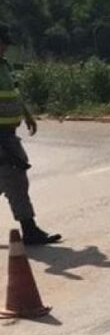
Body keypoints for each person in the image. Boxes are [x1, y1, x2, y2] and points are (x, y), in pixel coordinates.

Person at [0, 24, 60, 245]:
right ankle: (30, 230)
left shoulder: (5, 66)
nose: (4, 48)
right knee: (15, 179)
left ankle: (30, 229)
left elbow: (14, 94)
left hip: (9, 131)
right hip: (1, 137)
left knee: (6, 180)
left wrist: (27, 115)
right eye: (2, 43)